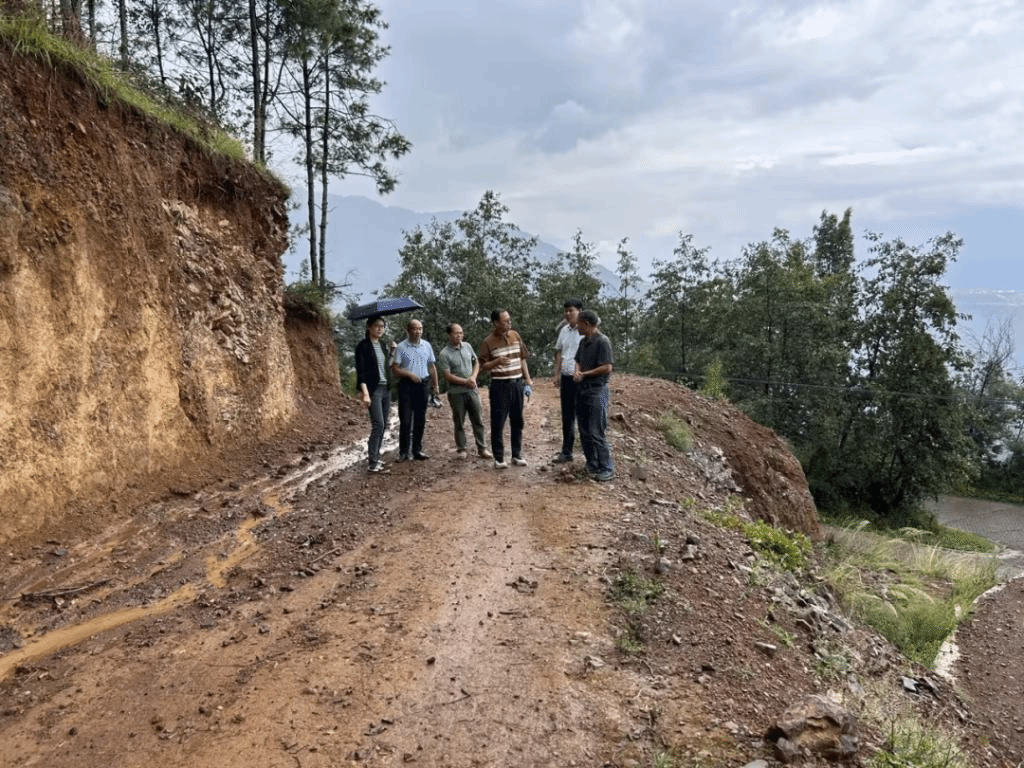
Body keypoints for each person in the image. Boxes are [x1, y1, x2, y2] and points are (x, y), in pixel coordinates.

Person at [479, 308, 533, 469]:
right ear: (496, 323)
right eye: (505, 321)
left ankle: (516, 455)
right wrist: (497, 362)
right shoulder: (488, 342)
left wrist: (527, 379)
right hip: (499, 386)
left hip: (517, 383)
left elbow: (522, 359)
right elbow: (483, 365)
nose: (509, 323)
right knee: (498, 422)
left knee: (517, 420)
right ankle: (499, 458)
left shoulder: (515, 335)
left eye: (509, 320)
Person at [437, 323, 493, 459]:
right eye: (456, 333)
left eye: (461, 333)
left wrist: (473, 377)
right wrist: (465, 381)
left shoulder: (467, 346)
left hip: (472, 390)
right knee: (459, 422)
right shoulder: (444, 354)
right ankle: (461, 449)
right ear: (449, 335)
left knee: (478, 420)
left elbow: (477, 362)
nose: (459, 335)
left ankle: (482, 448)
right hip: (456, 393)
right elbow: (447, 375)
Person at [573, 309, 615, 481]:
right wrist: (577, 371)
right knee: (584, 430)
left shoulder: (603, 342)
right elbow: (577, 360)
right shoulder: (583, 342)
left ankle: (606, 468)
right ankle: (592, 463)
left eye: (578, 324)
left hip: (597, 391)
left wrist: (585, 374)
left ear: (586, 324)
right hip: (582, 390)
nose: (576, 327)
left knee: (596, 430)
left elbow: (607, 367)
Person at [390, 318, 439, 461]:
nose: (418, 331)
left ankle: (417, 450)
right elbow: (394, 369)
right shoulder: (401, 347)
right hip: (406, 385)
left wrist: (435, 385)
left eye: (420, 328)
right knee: (405, 419)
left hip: (423, 384)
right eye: (415, 328)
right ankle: (404, 452)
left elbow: (432, 366)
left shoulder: (427, 345)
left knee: (420, 419)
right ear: (408, 330)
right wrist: (409, 374)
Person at [354, 315, 394, 472]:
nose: (380, 329)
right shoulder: (363, 346)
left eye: (382, 326)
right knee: (378, 424)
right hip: (373, 390)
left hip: (386, 389)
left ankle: (376, 457)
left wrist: (392, 352)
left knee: (383, 425)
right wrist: (365, 393)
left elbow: (386, 366)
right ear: (369, 327)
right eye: (377, 326)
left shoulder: (383, 345)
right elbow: (361, 372)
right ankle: (372, 462)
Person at [551, 298, 583, 464]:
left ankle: (589, 454)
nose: (568, 314)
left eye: (571, 310)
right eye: (566, 311)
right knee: (567, 416)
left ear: (579, 311)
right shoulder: (564, 330)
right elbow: (558, 352)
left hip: (581, 379)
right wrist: (556, 374)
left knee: (583, 415)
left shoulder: (585, 330)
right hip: (566, 377)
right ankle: (567, 451)